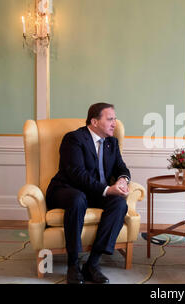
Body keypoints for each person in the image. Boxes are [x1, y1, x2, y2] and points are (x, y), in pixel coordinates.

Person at [46, 102, 131, 284]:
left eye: (115, 119)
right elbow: (77, 174)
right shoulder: (74, 138)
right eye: (110, 119)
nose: (114, 123)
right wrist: (108, 189)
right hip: (66, 189)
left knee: (120, 203)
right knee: (78, 199)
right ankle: (73, 264)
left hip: (94, 192)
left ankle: (92, 264)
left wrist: (123, 180)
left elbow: (121, 167)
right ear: (94, 121)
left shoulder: (112, 143)